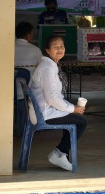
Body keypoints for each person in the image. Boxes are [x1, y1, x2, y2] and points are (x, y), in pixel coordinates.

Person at [27, 35, 86, 171]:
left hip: (44, 110)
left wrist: (70, 108)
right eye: (55, 47)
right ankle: (59, 153)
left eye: (62, 46)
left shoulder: (50, 65)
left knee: (74, 118)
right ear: (47, 50)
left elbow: (54, 97)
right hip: (43, 114)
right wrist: (73, 108)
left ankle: (61, 154)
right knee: (81, 121)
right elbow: (52, 98)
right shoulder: (48, 68)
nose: (59, 49)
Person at [14, 22, 43, 100]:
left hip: (10, 89)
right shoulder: (36, 50)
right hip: (29, 92)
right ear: (28, 34)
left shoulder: (9, 49)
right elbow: (42, 70)